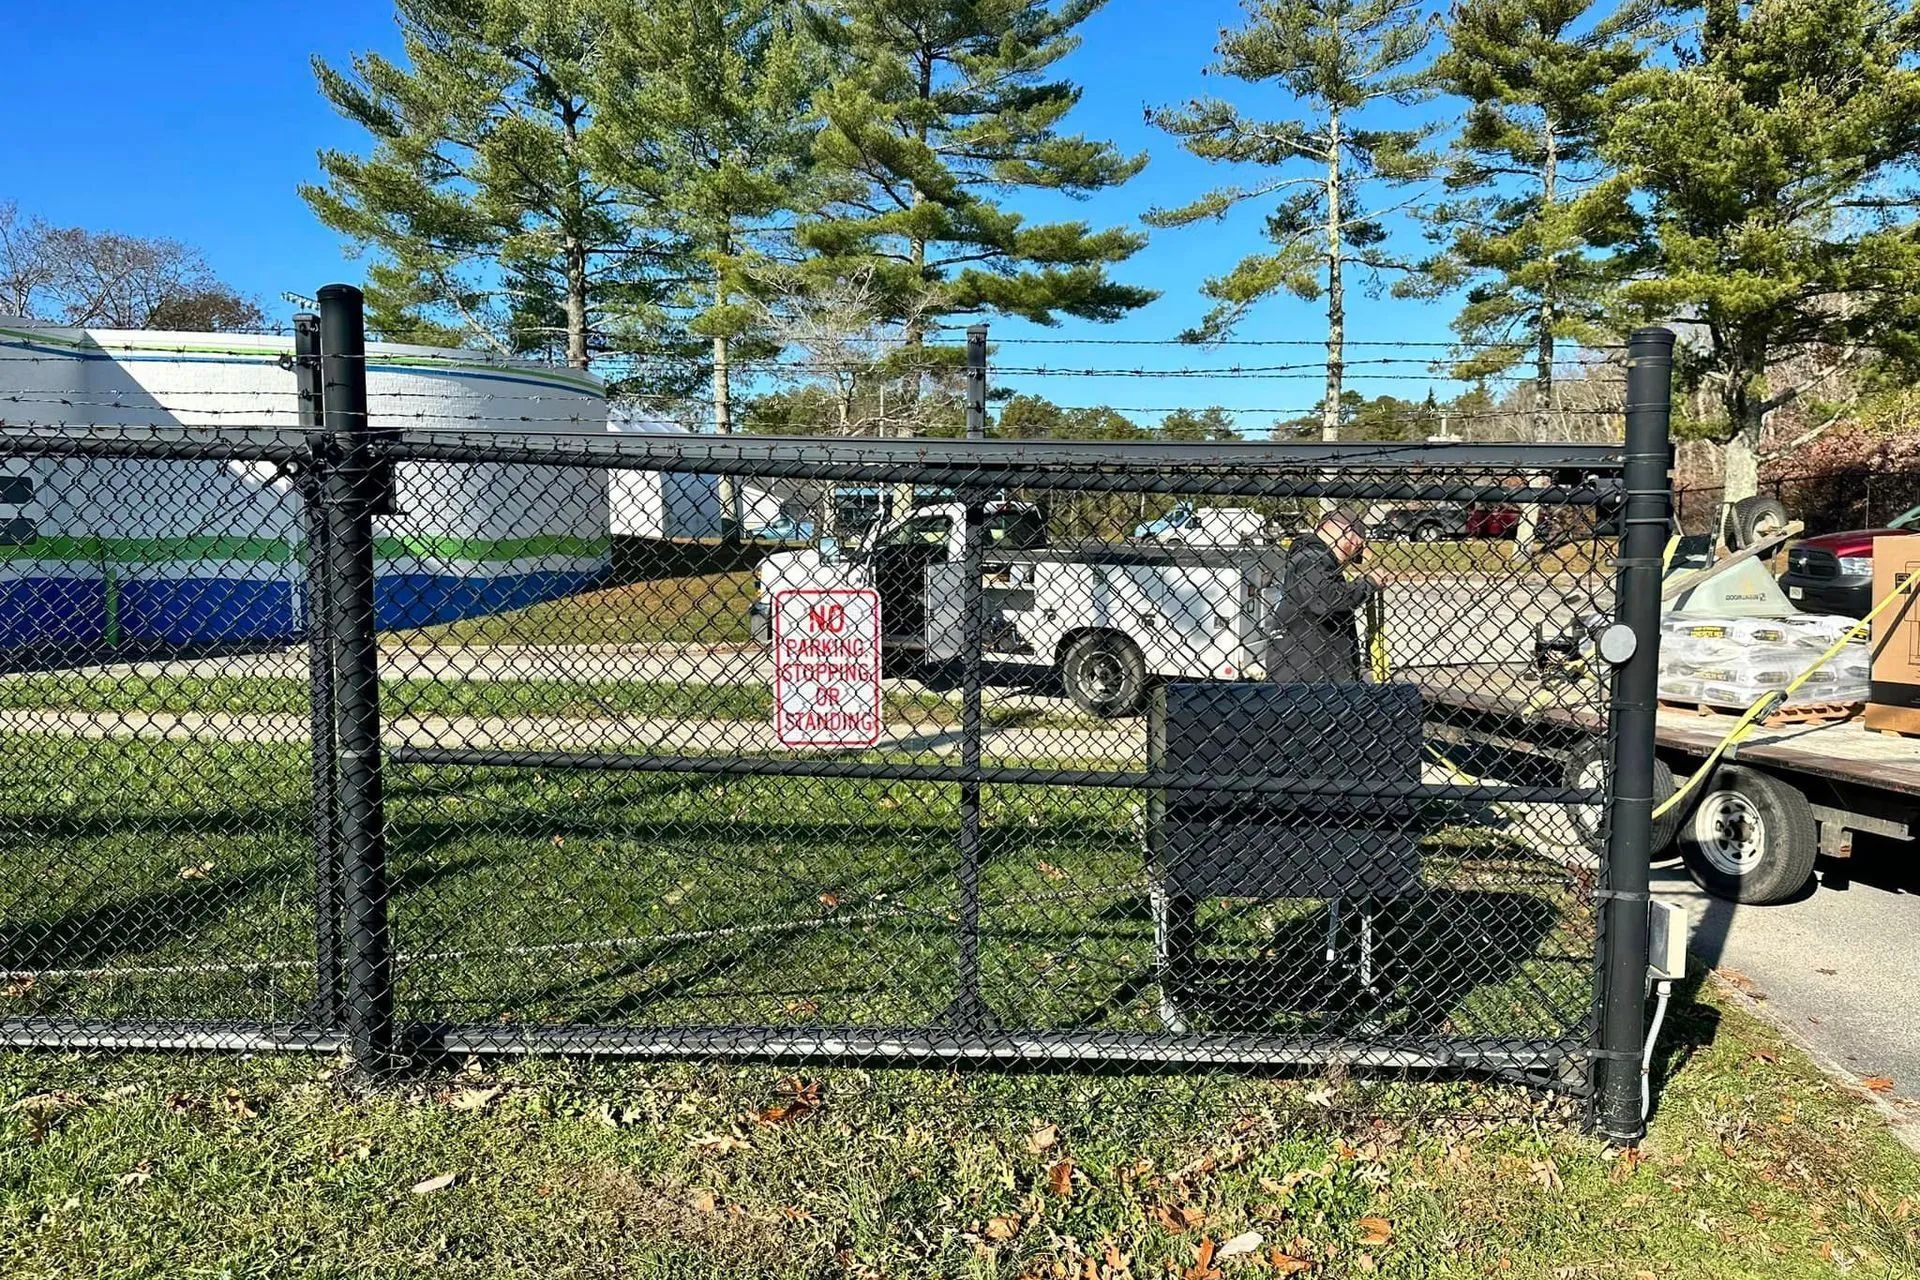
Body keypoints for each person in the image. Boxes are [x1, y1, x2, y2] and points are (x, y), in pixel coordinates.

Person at [1265, 511, 1378, 683]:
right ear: (1347, 533)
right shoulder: (1311, 559)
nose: (1348, 560)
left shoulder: (1319, 561)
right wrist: (1369, 583)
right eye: (1357, 547)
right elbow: (1325, 601)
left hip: (1318, 678)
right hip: (1304, 682)